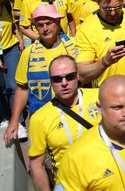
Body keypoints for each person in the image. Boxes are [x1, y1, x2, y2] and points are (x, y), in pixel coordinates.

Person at [4, 5, 78, 145]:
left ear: (57, 23)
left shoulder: (74, 48)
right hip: (43, 120)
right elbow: (22, 88)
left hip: (74, 116)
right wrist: (14, 122)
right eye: (40, 25)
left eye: (49, 23)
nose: (45, 28)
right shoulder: (28, 53)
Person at [27, 55, 100, 190]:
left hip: (105, 178)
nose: (64, 82)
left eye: (70, 76)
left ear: (78, 76)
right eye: (57, 79)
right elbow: (37, 165)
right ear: (51, 81)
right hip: (69, 184)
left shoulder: (99, 97)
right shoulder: (39, 118)